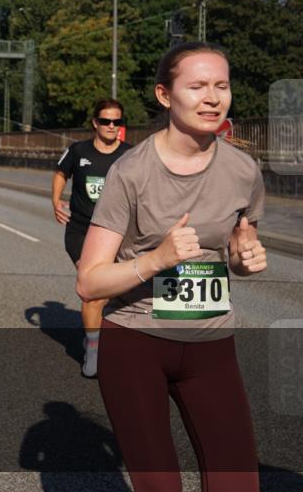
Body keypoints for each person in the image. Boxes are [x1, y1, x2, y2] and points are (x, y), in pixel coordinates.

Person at [77, 42, 267, 492]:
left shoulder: (244, 171)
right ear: (165, 95)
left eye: (222, 86)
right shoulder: (131, 172)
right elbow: (88, 281)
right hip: (136, 343)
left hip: (212, 343)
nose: (213, 98)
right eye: (197, 86)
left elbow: (241, 248)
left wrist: (243, 260)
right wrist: (158, 259)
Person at [52, 98, 132, 378]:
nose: (112, 126)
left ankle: (110, 338)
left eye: (117, 121)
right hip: (82, 230)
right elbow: (61, 174)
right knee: (94, 289)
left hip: (116, 231)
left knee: (120, 293)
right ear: (95, 123)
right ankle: (94, 350)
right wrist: (55, 201)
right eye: (106, 121)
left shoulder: (130, 154)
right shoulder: (79, 150)